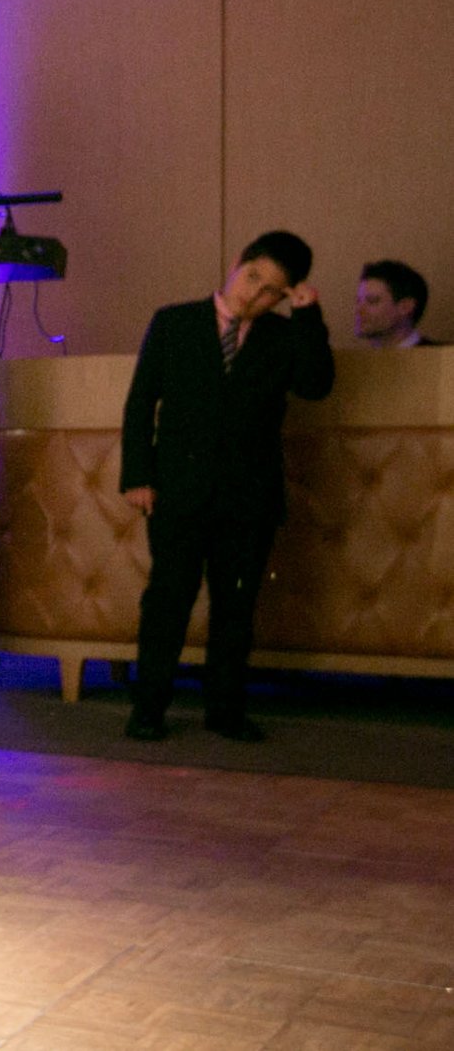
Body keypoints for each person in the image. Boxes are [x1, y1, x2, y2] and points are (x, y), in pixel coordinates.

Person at [121, 231, 335, 744]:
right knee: (168, 600)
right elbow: (140, 402)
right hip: (178, 488)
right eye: (253, 276)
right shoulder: (174, 322)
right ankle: (148, 708)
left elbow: (316, 385)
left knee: (236, 607)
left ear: (284, 296)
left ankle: (226, 709)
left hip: (249, 494)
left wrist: (307, 316)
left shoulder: (283, 335)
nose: (253, 293)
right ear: (238, 263)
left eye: (271, 291)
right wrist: (138, 476)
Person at [351, 260, 434, 348]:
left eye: (372, 301)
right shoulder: (357, 360)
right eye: (358, 301)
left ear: (405, 307)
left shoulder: (442, 358)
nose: (358, 310)